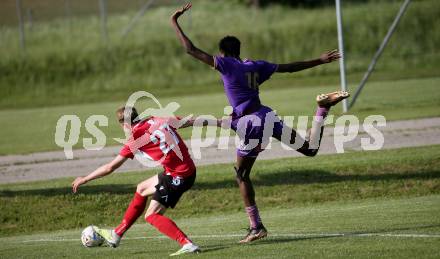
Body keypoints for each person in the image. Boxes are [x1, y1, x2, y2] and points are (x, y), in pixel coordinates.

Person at [171, 3, 350, 243]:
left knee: (241, 176)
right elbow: (289, 68)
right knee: (310, 149)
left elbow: (190, 49)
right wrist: (319, 60)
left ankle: (256, 227)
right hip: (266, 115)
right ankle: (322, 108)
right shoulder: (257, 65)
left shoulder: (226, 65)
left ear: (222, 53)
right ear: (239, 50)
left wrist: (174, 21)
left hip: (250, 125)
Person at [72, 106, 219, 256]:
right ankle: (117, 234)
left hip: (179, 176)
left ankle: (187, 244)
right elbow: (191, 121)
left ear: (125, 125)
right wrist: (219, 122)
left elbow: (110, 167)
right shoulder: (158, 120)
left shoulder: (135, 139)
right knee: (142, 188)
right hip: (181, 171)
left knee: (151, 215)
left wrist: (85, 178)